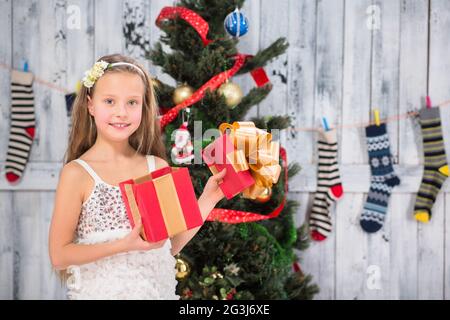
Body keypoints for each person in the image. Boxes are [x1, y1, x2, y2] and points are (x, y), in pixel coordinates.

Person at [48, 54, 226, 299]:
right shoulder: (77, 173)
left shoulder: (155, 166)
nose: (121, 112)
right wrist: (123, 245)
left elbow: (169, 245)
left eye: (132, 102)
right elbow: (59, 256)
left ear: (144, 106)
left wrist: (209, 198)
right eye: (109, 101)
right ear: (90, 105)